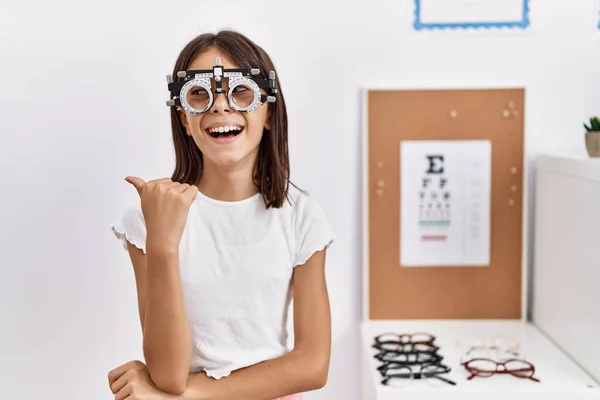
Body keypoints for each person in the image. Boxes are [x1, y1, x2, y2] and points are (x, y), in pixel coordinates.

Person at [107, 29, 336, 400]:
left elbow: (312, 365)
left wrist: (187, 396)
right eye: (199, 94)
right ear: (184, 118)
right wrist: (163, 243)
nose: (219, 106)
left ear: (269, 113)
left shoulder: (300, 216)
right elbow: (168, 374)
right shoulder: (148, 216)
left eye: (240, 91)